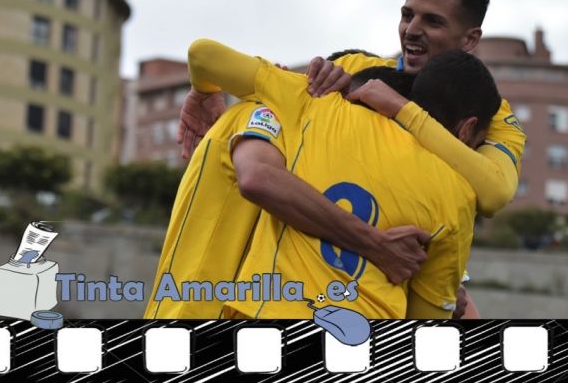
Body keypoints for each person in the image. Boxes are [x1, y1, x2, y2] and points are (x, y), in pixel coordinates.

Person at [177, 0, 527, 317]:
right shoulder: (356, 67)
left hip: (399, 276)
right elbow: (280, 105)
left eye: (433, 21)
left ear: (470, 38)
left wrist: (401, 110)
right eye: (408, 15)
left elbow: (494, 191)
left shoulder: (493, 113)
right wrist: (208, 93)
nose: (412, 29)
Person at [186, 38, 501, 318]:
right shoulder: (459, 196)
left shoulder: (311, 104)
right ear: (467, 130)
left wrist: (202, 94)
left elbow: (203, 54)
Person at [144, 80, 429, 319]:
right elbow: (257, 178)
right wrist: (375, 244)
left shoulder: (313, 152)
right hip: (197, 309)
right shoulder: (266, 112)